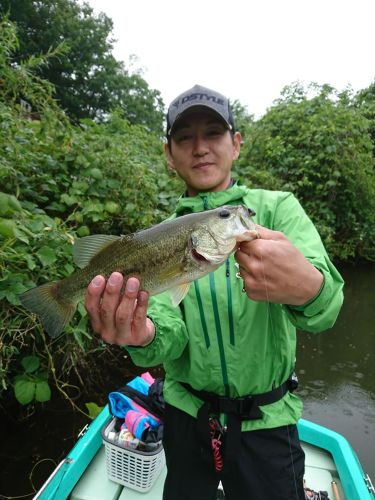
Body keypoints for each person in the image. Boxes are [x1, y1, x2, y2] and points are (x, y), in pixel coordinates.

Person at [84, 84, 344, 500]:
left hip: (269, 421)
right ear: (169, 154)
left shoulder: (278, 209)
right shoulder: (159, 235)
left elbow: (327, 308)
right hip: (187, 417)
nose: (200, 148)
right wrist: (142, 335)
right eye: (185, 137)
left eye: (214, 133)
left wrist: (310, 288)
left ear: (236, 144)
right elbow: (167, 337)